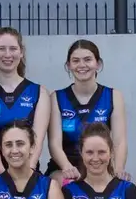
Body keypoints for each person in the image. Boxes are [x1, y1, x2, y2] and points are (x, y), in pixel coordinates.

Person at [49, 39, 127, 180]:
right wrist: (67, 167)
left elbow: (119, 141)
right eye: (76, 61)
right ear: (68, 65)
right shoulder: (56, 97)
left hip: (100, 164)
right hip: (66, 166)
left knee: (118, 185)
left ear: (98, 64)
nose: (82, 65)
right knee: (64, 183)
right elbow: (54, 143)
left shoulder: (114, 96)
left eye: (87, 59)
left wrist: (118, 169)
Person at [0, 28, 50, 173]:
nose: (7, 54)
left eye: (13, 49)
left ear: (21, 52)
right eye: (1, 49)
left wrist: (28, 170)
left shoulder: (39, 92)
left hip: (28, 169)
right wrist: (0, 173)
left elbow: (37, 141)